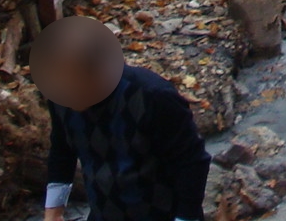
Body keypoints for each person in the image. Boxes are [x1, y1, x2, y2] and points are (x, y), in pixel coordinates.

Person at [34, 15, 209, 221]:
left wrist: (185, 218)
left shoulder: (153, 96)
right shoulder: (60, 98)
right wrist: (53, 212)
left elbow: (192, 161)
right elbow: (62, 151)